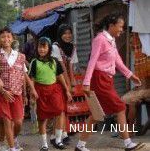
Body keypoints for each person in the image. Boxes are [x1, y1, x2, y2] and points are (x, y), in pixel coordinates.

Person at [75, 13, 145, 151]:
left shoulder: (111, 40)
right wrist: (86, 82)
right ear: (111, 25)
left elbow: (118, 61)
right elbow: (92, 61)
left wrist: (130, 75)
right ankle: (128, 143)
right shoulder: (100, 39)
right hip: (99, 79)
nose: (122, 30)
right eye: (120, 26)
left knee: (96, 114)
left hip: (106, 80)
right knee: (120, 107)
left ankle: (80, 146)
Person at [0, 27, 38, 151]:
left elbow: (23, 75)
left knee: (18, 122)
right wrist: (2, 90)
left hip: (17, 93)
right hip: (1, 93)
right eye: (3, 37)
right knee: (6, 121)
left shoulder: (20, 56)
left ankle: (13, 139)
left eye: (8, 36)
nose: (6, 39)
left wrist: (31, 90)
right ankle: (11, 147)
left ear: (12, 38)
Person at [29, 37, 72, 150]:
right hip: (40, 92)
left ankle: (58, 140)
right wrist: (32, 94)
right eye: (39, 47)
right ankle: (44, 144)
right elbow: (32, 79)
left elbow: (59, 76)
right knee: (42, 118)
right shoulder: (34, 62)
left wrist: (67, 89)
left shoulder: (54, 61)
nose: (41, 49)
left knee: (59, 111)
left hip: (54, 90)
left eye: (44, 47)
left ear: (49, 48)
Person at [52, 24, 79, 144]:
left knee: (63, 108)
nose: (68, 35)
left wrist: (73, 83)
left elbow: (71, 66)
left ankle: (59, 135)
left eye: (69, 33)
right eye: (65, 33)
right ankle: (60, 135)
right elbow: (61, 67)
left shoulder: (73, 47)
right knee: (60, 108)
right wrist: (68, 85)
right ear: (60, 34)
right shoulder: (55, 47)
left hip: (67, 79)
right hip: (57, 80)